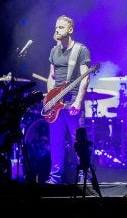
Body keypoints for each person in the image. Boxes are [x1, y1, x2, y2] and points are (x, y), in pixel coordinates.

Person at [45, 15, 91, 184]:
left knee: (78, 142)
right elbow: (51, 76)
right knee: (56, 143)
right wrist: (50, 98)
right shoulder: (53, 51)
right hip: (56, 107)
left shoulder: (80, 50)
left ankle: (83, 179)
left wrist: (78, 101)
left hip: (72, 104)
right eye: (56, 27)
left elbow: (85, 78)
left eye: (61, 27)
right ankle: (55, 178)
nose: (57, 30)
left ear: (70, 30)